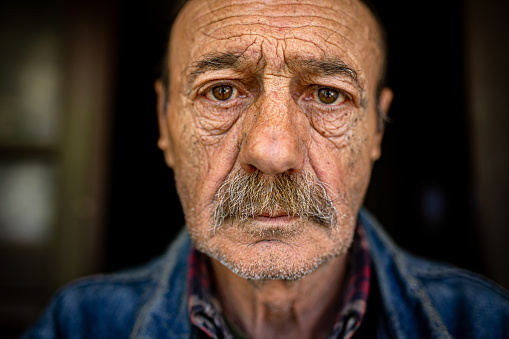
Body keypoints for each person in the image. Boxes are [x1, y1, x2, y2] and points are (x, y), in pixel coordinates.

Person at [22, 0, 509, 338]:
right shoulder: (78, 325)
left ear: (376, 130)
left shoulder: (487, 322)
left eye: (327, 95)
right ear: (164, 122)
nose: (273, 152)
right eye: (222, 91)